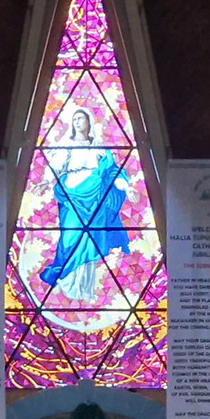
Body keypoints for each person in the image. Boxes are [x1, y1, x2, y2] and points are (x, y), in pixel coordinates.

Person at [37, 107, 139, 300]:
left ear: (89, 122)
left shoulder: (100, 149)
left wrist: (127, 188)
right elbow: (55, 167)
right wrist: (46, 181)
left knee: (90, 239)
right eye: (74, 119)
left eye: (81, 119)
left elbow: (112, 173)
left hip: (95, 199)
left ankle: (84, 288)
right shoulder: (66, 146)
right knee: (69, 238)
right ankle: (65, 280)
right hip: (71, 194)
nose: (77, 122)